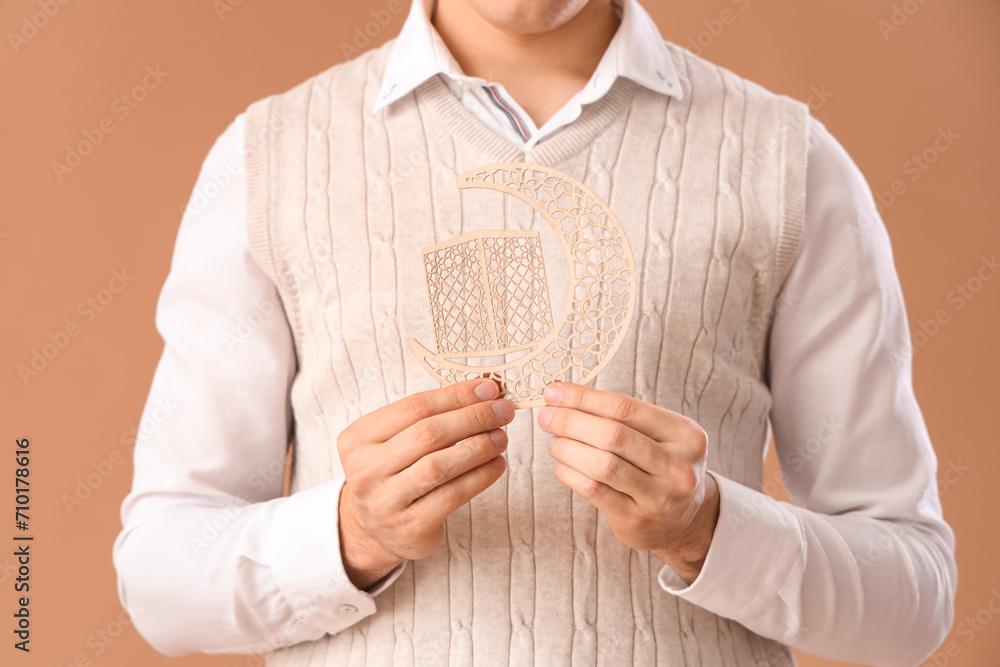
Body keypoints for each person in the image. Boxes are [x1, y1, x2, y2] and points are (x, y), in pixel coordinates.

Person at [112, 0, 957, 665]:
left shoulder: (789, 161)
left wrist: (710, 527)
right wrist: (349, 535)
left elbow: (913, 599)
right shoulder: (270, 160)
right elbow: (159, 576)